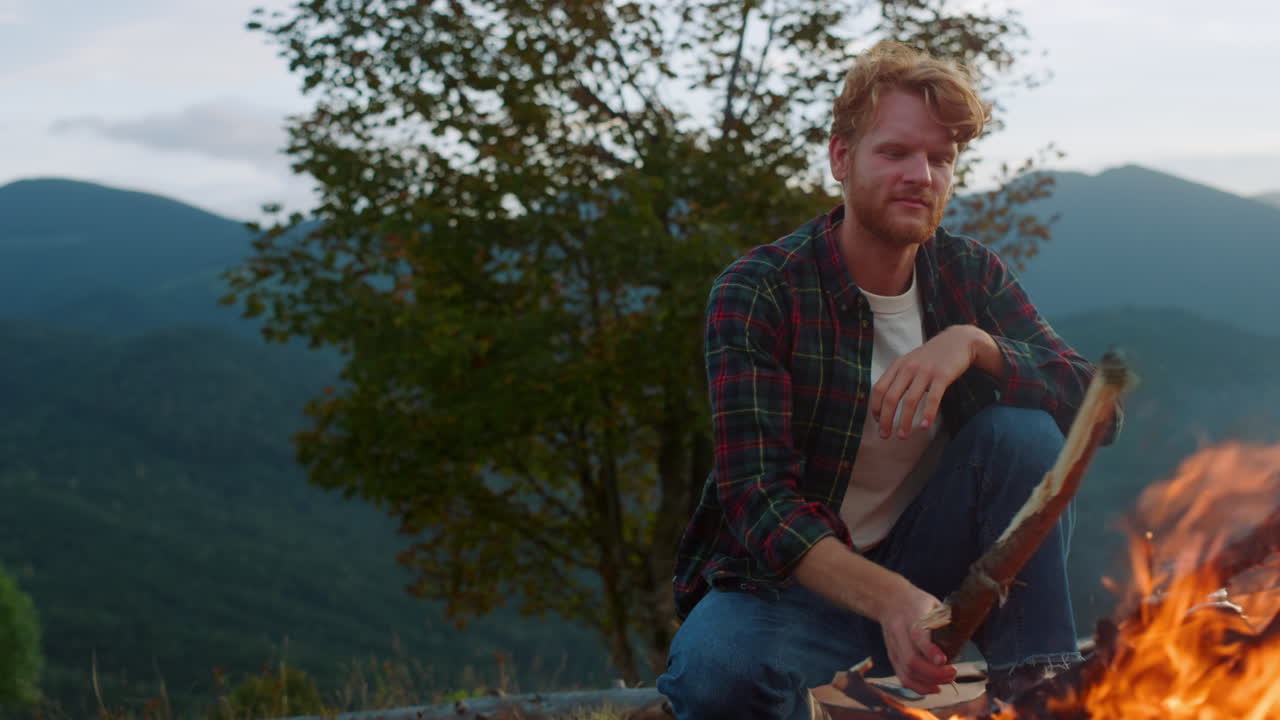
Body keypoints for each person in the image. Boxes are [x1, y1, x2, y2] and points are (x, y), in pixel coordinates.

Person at [655, 41, 1119, 720]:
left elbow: (1098, 411)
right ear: (841, 158)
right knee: (714, 675)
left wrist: (976, 345)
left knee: (1022, 432)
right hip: (794, 588)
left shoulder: (969, 276)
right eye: (896, 152)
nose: (920, 176)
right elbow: (757, 501)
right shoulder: (760, 291)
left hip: (933, 572)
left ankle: (1033, 688)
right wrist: (890, 600)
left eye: (939, 159)